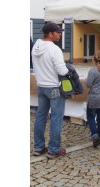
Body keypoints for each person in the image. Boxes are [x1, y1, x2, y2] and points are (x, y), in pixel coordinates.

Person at [32, 22, 69, 158]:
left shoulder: (36, 46)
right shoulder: (54, 49)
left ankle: (38, 147)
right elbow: (62, 70)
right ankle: (53, 149)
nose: (60, 34)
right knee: (56, 118)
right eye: (58, 32)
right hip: (54, 87)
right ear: (50, 34)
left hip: (41, 86)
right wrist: (67, 69)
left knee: (40, 117)